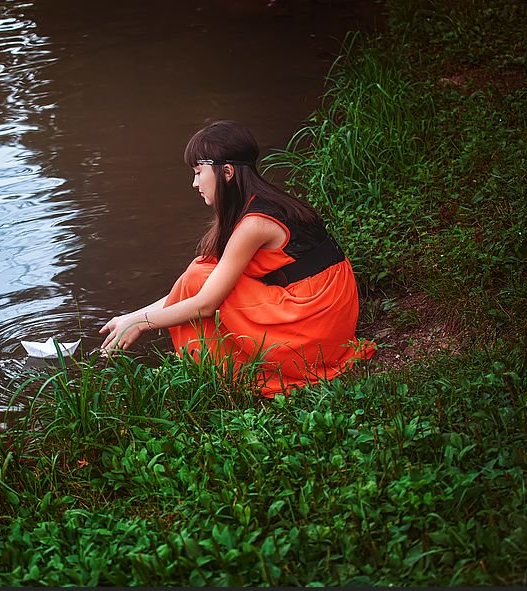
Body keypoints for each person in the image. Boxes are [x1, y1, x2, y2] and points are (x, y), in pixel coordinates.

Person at [99, 120, 373, 396]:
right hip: (327, 314)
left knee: (199, 277)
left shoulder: (254, 223)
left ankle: (228, 370)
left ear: (226, 172)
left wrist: (142, 323)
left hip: (315, 329)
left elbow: (205, 302)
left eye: (198, 172)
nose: (194, 183)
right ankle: (232, 361)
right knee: (203, 271)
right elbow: (202, 285)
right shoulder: (260, 203)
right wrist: (131, 317)